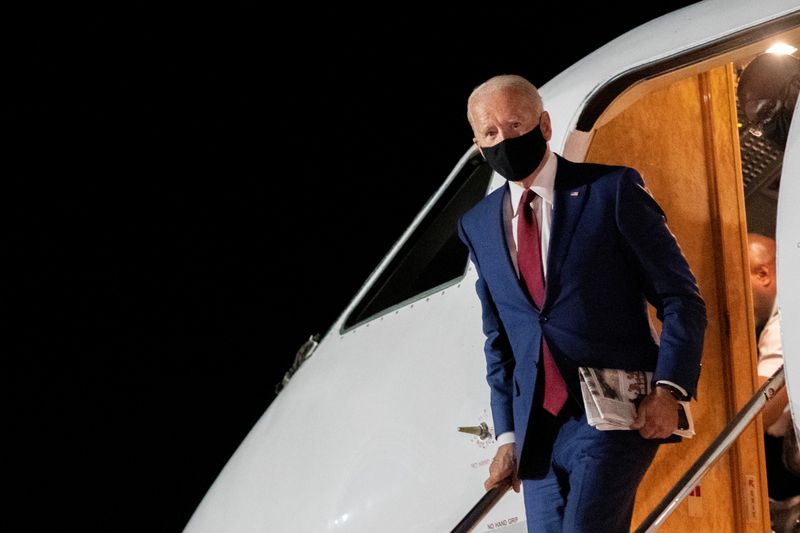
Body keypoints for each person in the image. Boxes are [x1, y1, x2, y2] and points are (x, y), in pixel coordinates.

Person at [457, 75, 707, 532]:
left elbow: (680, 298)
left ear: (545, 125)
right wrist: (507, 435)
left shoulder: (611, 191)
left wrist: (671, 389)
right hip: (539, 430)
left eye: (515, 124)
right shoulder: (477, 225)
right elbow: (501, 341)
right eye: (490, 133)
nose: (504, 139)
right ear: (477, 144)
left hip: (617, 414)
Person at [747, 232, 798, 501]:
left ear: (763, 274)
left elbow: (759, 410)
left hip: (785, 462)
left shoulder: (786, 322)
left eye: (738, 278)